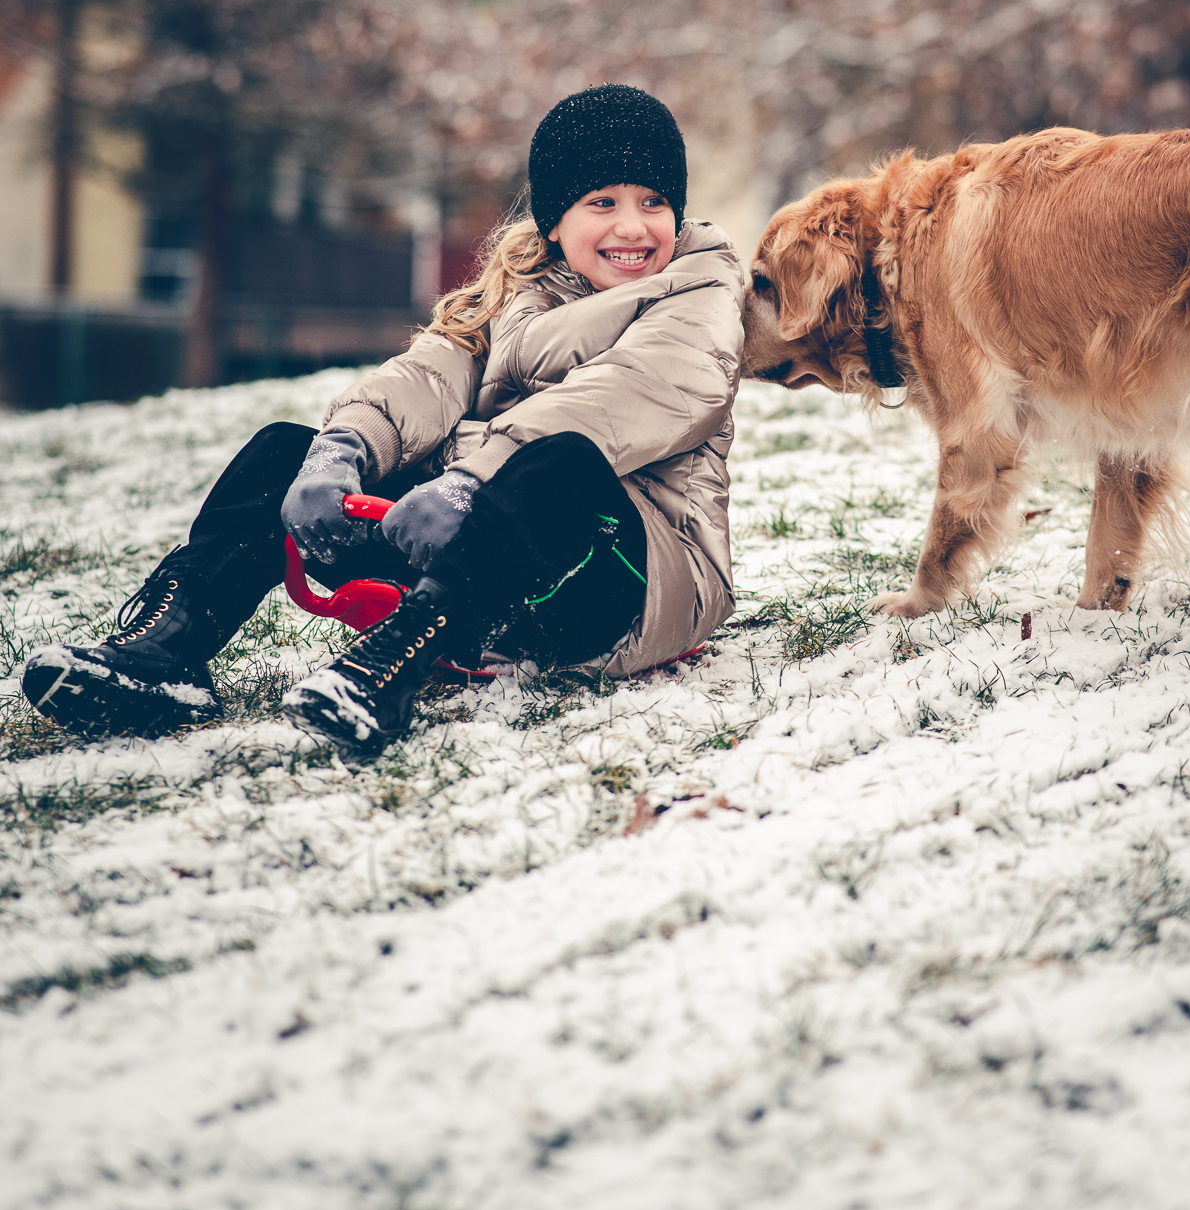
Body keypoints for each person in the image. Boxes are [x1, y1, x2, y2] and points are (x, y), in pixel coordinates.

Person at [22, 85, 744, 758]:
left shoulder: (699, 288)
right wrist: (343, 452)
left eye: (654, 201)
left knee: (561, 463)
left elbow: (625, 396)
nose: (632, 226)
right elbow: (423, 378)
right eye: (601, 201)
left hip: (630, 578)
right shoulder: (516, 295)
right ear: (554, 220)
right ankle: (164, 650)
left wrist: (468, 483)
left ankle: (389, 668)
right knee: (285, 451)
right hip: (488, 565)